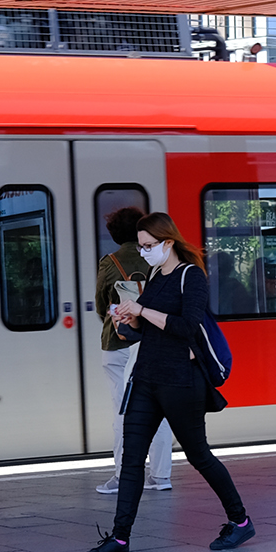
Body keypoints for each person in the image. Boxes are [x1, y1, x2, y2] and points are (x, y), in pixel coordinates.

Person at [87, 212, 255, 552]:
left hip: (181, 381)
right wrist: (127, 321)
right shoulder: (154, 275)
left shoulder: (191, 276)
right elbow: (146, 329)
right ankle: (120, 539)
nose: (144, 252)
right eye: (141, 246)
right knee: (132, 459)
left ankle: (240, 520)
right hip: (146, 379)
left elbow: (186, 326)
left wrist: (142, 311)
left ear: (168, 242)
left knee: (198, 455)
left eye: (149, 245)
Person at [94, 206, 173, 497]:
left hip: (119, 344)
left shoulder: (111, 262)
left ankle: (122, 476)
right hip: (154, 342)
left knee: (123, 410)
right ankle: (161, 475)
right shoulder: (161, 261)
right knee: (159, 409)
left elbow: (101, 304)